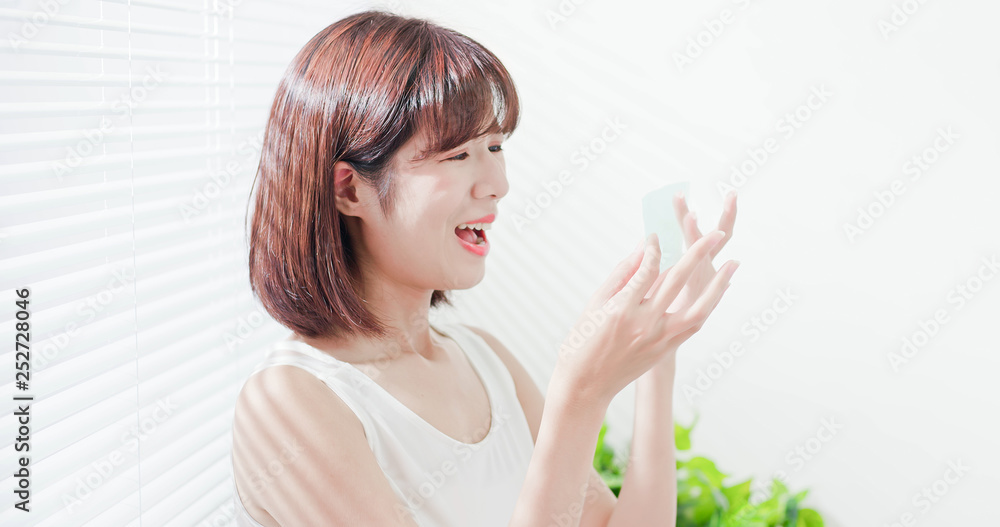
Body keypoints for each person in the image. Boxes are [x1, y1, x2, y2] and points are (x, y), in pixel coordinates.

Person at [231, 9, 739, 527]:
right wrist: (579, 396)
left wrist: (658, 355)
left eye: (495, 146)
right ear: (349, 188)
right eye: (457, 155)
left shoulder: (483, 358)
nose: (497, 183)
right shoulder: (289, 402)